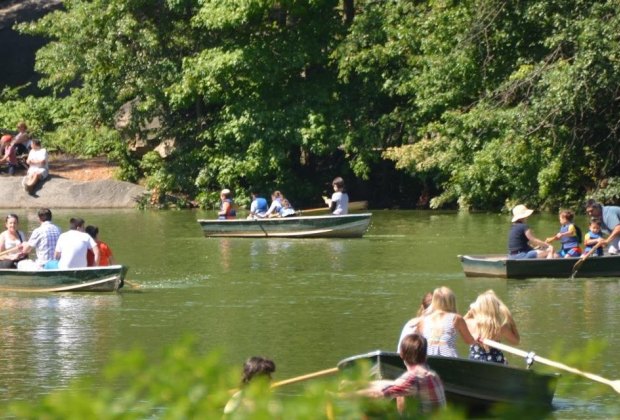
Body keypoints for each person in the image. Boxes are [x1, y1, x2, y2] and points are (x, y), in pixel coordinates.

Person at [357, 334, 446, 415]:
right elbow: (392, 384)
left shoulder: (413, 377)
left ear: (401, 354)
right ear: (425, 355)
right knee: (402, 393)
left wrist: (346, 394)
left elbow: (377, 394)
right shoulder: (432, 375)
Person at [416, 286, 477, 357]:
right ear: (452, 302)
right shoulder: (456, 318)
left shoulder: (424, 320)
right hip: (449, 358)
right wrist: (476, 339)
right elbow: (469, 341)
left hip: (427, 357)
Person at [464, 290, 520, 364]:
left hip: (474, 362)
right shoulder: (501, 327)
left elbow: (458, 324)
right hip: (496, 363)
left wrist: (470, 312)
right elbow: (516, 341)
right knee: (506, 361)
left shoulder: (469, 322)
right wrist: (511, 322)